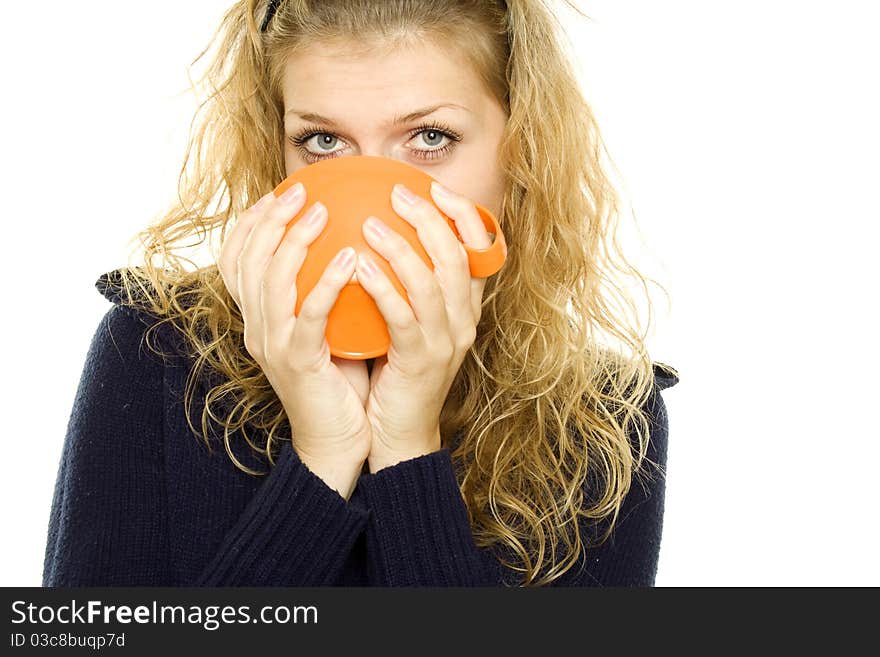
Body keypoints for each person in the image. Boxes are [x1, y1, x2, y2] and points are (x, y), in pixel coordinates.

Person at [42, 0, 679, 587]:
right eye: (323, 142)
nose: (371, 202)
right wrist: (322, 462)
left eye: (431, 137)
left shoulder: (605, 422)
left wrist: (406, 451)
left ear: (522, 154)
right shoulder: (156, 353)